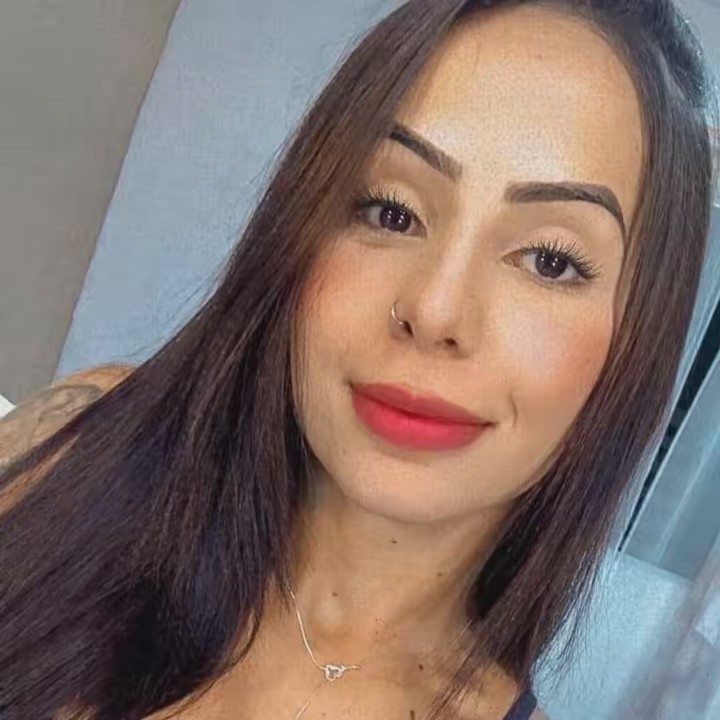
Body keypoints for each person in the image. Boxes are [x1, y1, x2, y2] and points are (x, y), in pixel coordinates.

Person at [0, 1, 715, 719]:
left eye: (551, 260)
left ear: (636, 346)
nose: (434, 310)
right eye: (391, 212)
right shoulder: (72, 446)